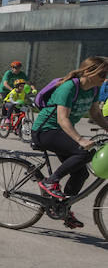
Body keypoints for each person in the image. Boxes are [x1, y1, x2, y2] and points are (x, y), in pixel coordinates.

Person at [32, 56, 108, 227]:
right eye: (102, 74)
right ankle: (50, 181)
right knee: (84, 152)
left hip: (61, 133)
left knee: (81, 173)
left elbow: (96, 115)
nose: (105, 79)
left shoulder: (93, 90)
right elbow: (62, 119)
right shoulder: (69, 87)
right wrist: (80, 139)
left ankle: (63, 209)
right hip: (45, 131)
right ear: (89, 71)